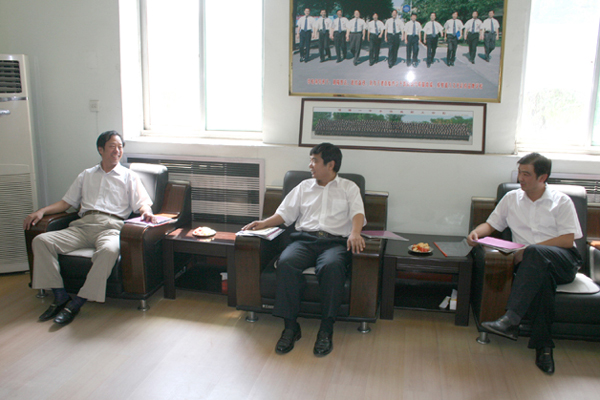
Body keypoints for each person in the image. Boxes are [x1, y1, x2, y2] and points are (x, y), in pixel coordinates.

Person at [242, 143, 366, 357]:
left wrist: (355, 233)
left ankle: (326, 329)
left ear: (330, 164)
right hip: (304, 241)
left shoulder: (349, 187)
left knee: (332, 266)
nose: (310, 165)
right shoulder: (303, 187)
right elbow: (284, 214)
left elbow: (358, 213)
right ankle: (291, 327)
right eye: (311, 160)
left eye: (315, 161)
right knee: (286, 262)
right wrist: (263, 223)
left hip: (334, 243)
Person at [467, 153, 582, 375]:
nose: (520, 178)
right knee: (543, 281)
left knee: (535, 253)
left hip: (563, 260)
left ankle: (511, 318)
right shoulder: (511, 198)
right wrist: (476, 233)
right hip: (532, 266)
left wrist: (528, 250)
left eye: (526, 174)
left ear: (542, 177)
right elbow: (491, 225)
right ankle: (544, 348)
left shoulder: (561, 201)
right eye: (520, 172)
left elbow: (568, 240)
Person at [24, 131, 155, 325]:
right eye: (112, 146)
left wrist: (147, 212)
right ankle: (60, 296)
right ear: (101, 149)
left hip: (111, 227)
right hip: (82, 226)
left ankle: (78, 302)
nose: (117, 151)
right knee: (41, 241)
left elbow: (142, 203)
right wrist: (41, 211)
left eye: (120, 147)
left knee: (109, 250)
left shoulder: (129, 176)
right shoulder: (86, 175)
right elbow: (66, 203)